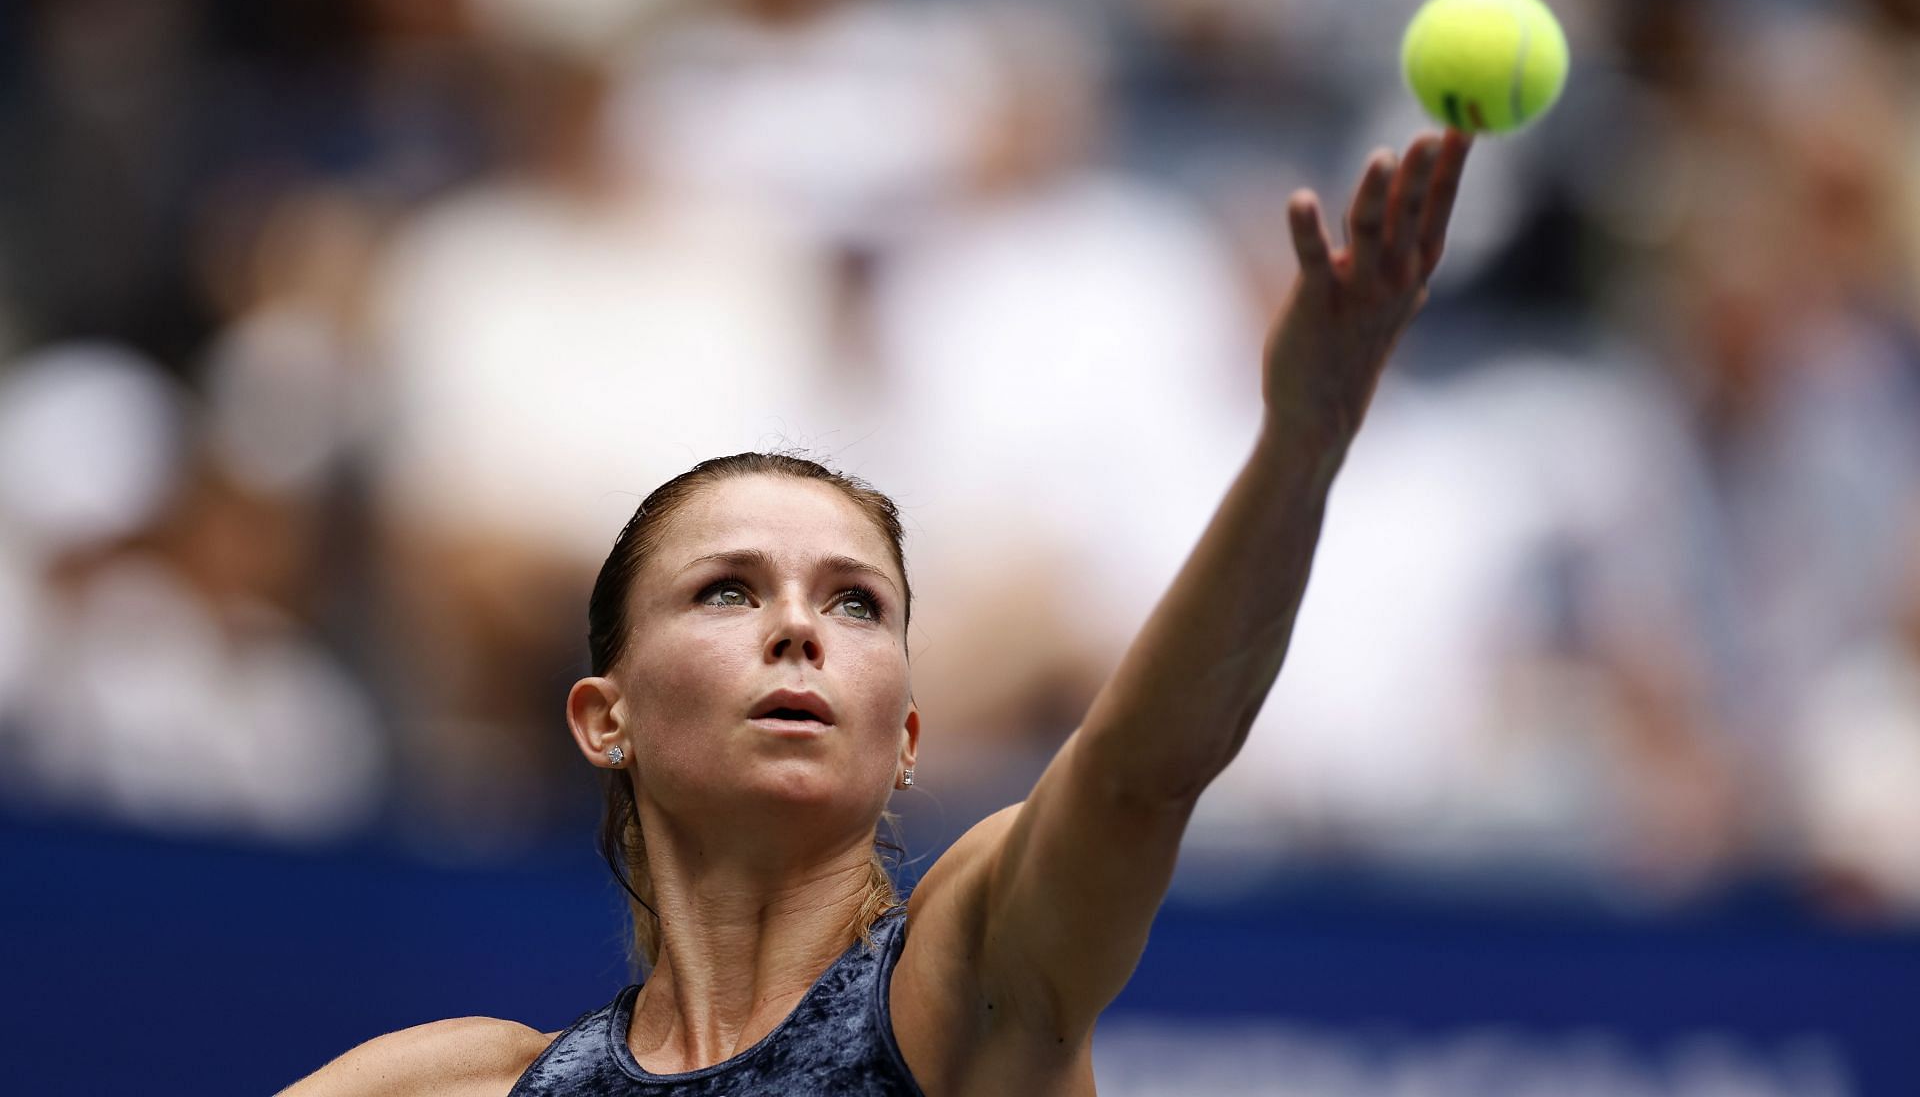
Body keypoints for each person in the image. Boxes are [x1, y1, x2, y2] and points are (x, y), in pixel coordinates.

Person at [274, 128, 1473, 1096]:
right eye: (728, 588)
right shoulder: (453, 1083)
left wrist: (1299, 450)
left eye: (856, 603)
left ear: (905, 734)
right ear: (605, 715)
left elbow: (1138, 771)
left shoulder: (967, 983)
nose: (797, 628)